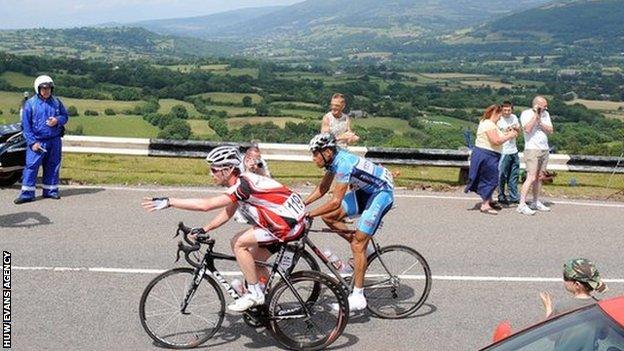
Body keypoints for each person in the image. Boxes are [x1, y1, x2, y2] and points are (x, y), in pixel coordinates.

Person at [141, 146, 306, 312]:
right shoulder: (241, 183)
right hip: (284, 220)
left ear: (228, 170)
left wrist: (170, 201)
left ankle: (255, 294)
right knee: (254, 260)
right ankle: (268, 300)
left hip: (286, 224)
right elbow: (228, 212)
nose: (210, 174)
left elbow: (206, 205)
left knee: (238, 243)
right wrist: (205, 229)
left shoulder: (241, 186)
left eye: (214, 170)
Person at [304, 133, 394, 311]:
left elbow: (335, 201)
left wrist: (309, 215)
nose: (313, 158)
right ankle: (362, 245)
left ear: (327, 152)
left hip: (382, 193)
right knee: (329, 217)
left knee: (357, 245)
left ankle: (358, 297)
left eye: (315, 153)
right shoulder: (333, 162)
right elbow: (322, 189)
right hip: (367, 191)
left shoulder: (344, 164)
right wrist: (302, 204)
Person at [14, 75, 68, 204]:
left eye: (49, 88)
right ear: (38, 89)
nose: (46, 91)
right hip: (37, 141)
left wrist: (57, 120)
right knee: (32, 166)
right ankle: (27, 194)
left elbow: (65, 116)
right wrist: (32, 143)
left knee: (53, 165)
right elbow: (26, 126)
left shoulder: (56, 102)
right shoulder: (30, 104)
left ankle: (51, 191)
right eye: (43, 88)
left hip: (54, 140)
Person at [539, 258, 608, 351]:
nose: (564, 280)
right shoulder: (600, 307)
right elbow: (603, 335)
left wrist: (548, 307)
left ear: (577, 284)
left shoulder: (563, 307)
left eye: (565, 277)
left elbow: (551, 335)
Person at [464, 104, 518, 215]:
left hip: (487, 154)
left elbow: (497, 137)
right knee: (491, 179)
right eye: (500, 115)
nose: (500, 118)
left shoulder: (488, 123)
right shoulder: (489, 124)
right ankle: (485, 205)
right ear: (496, 113)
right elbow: (496, 141)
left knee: (487, 177)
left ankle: (489, 200)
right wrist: (510, 135)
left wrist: (506, 133)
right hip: (487, 155)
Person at [517, 96, 554, 216]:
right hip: (532, 149)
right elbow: (527, 129)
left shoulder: (546, 115)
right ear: (536, 105)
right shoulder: (526, 114)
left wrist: (540, 122)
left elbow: (550, 130)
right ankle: (521, 204)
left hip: (544, 148)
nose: (546, 108)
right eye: (544, 106)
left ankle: (535, 201)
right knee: (531, 177)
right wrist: (536, 116)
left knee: (539, 177)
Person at [496, 101, 521, 205]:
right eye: (505, 110)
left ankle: (514, 196)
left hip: (513, 150)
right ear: (501, 110)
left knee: (514, 175)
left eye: (509, 110)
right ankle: (501, 196)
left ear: (512, 110)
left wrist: (514, 129)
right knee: (502, 175)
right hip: (503, 151)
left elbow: (518, 131)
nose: (507, 112)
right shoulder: (498, 119)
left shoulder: (514, 117)